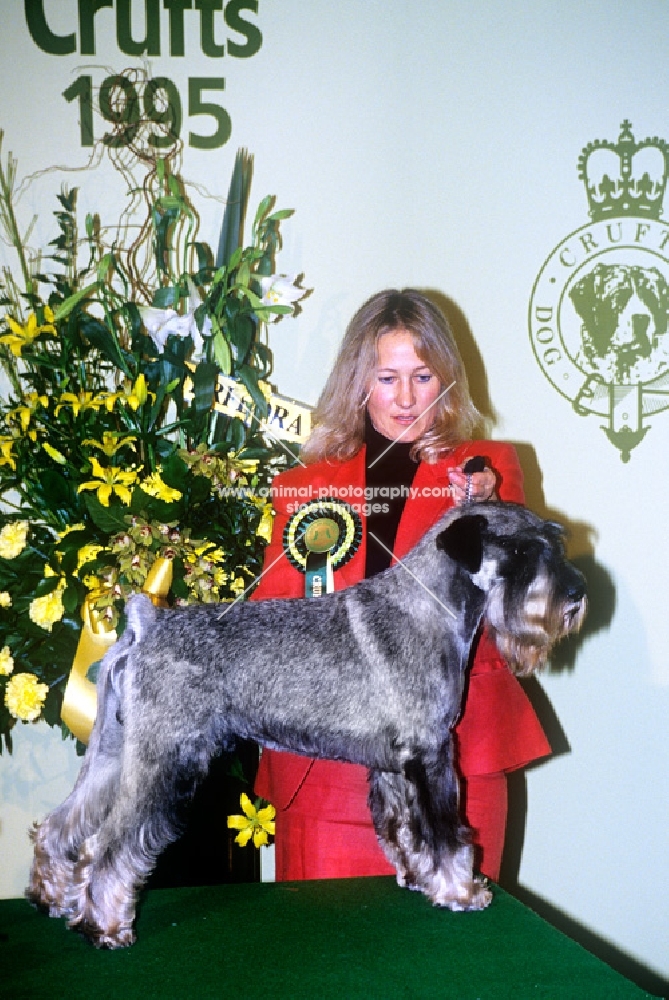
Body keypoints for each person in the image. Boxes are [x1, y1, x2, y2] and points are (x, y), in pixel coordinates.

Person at [251, 288, 550, 883]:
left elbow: (516, 597)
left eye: (423, 375)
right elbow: (273, 616)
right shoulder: (302, 484)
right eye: (387, 378)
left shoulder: (485, 470)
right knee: (324, 967)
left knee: (457, 966)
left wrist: (484, 507)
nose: (407, 398)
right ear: (357, 382)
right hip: (324, 773)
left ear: (447, 379)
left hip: (457, 763)